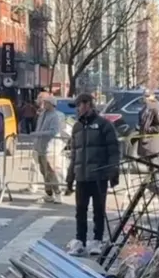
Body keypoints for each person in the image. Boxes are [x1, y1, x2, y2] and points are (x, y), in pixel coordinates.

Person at [65, 93, 120, 257]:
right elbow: (74, 155)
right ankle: (80, 241)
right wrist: (70, 177)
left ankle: (97, 239)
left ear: (88, 104)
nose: (77, 109)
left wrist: (113, 172)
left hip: (99, 176)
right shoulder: (77, 127)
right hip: (81, 176)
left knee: (98, 209)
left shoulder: (104, 125)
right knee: (80, 210)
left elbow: (114, 151)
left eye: (79, 105)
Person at [28, 91, 63, 204]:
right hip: (40, 147)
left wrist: (39, 134)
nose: (44, 104)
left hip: (49, 148)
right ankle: (49, 193)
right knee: (44, 171)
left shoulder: (55, 116)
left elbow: (54, 131)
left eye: (47, 103)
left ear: (52, 104)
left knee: (50, 172)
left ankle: (58, 193)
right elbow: (39, 127)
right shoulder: (43, 114)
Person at [137, 90, 159, 162]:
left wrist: (149, 130)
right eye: (144, 96)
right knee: (149, 165)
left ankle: (155, 172)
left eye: (147, 96)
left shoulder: (156, 107)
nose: (145, 98)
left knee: (155, 165)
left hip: (153, 142)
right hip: (146, 141)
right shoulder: (146, 107)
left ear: (152, 96)